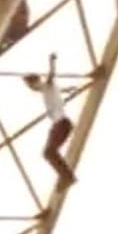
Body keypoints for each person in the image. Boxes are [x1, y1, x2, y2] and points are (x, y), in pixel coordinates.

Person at [23, 53, 77, 189]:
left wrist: (51, 61)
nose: (32, 89)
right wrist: (69, 89)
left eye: (31, 86)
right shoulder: (48, 89)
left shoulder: (46, 86)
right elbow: (59, 89)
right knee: (47, 153)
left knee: (49, 152)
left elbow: (51, 76)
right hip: (58, 124)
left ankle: (68, 177)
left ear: (35, 82)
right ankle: (66, 176)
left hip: (62, 124)